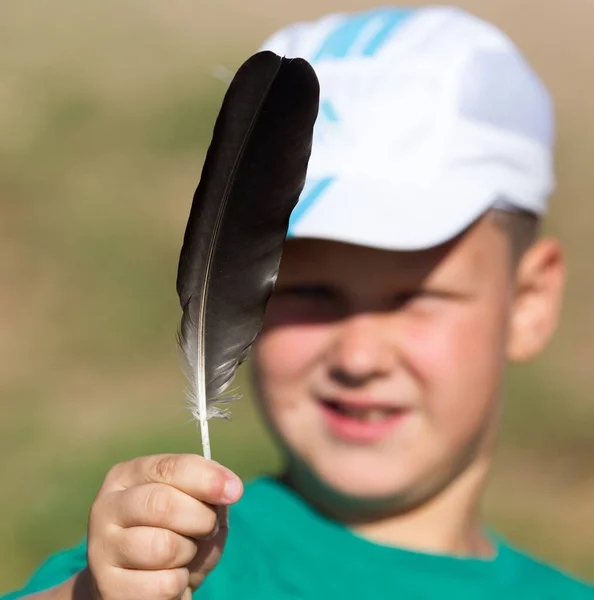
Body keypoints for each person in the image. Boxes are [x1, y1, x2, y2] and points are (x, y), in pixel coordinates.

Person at [3, 5, 594, 600]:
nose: (359, 357)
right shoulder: (170, 559)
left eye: (414, 297)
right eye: (309, 292)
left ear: (529, 301)